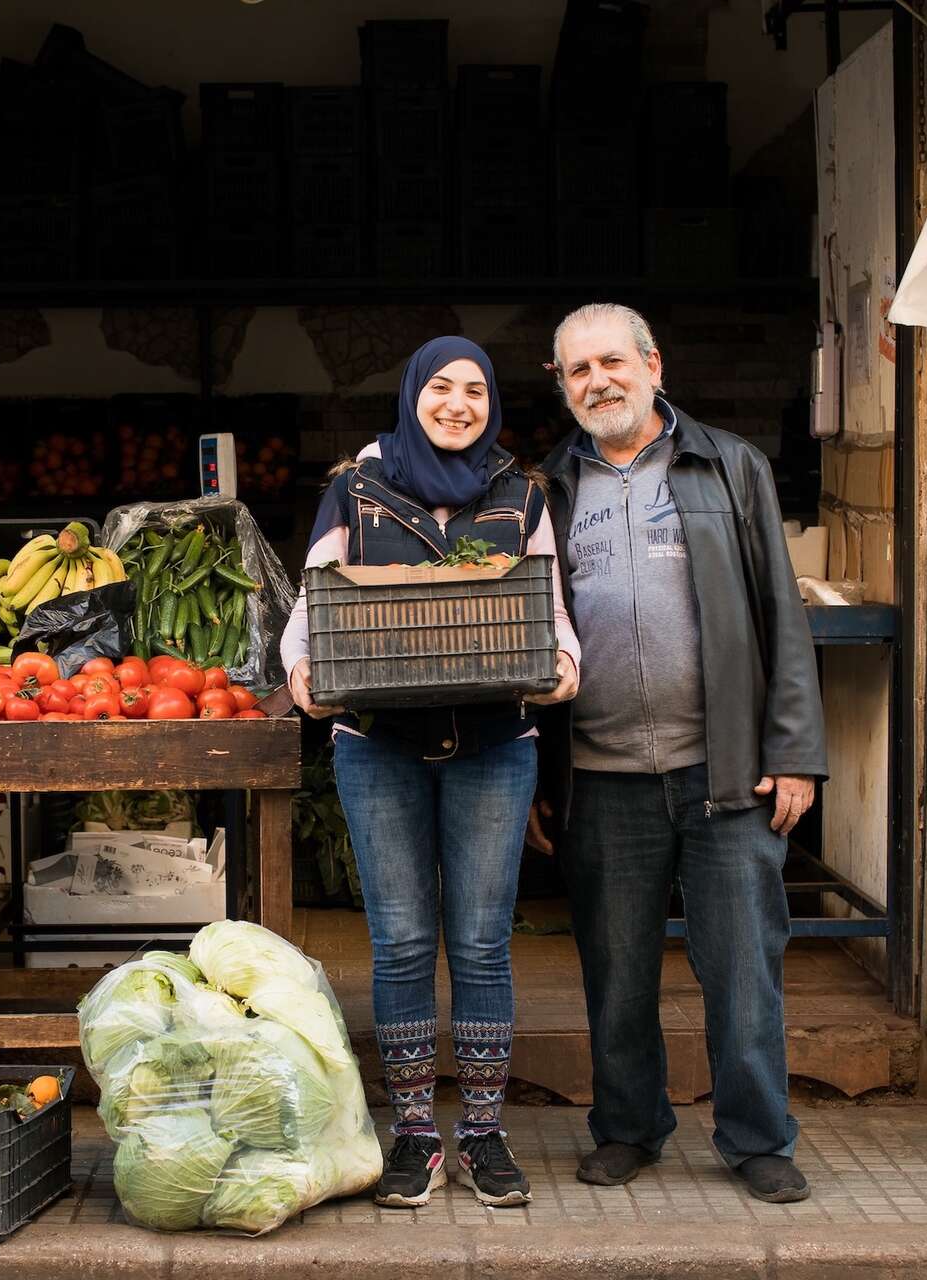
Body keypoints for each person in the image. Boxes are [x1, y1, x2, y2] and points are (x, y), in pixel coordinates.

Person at [529, 302, 827, 1204]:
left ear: (654, 364)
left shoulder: (728, 465)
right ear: (564, 386)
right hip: (602, 776)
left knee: (743, 967)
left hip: (727, 771)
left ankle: (757, 1137)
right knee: (616, 972)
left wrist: (797, 753)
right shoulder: (547, 486)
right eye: (577, 371)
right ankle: (628, 1127)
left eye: (611, 363)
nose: (597, 383)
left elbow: (781, 614)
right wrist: (543, 777)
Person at [282, 336, 580, 1210]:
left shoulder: (521, 494)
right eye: (442, 387)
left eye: (477, 390)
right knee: (403, 941)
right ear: (412, 393)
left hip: (496, 743)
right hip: (378, 744)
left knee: (484, 941)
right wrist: (302, 675)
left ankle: (484, 1134)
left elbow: (551, 609)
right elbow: (312, 609)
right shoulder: (356, 490)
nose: (459, 403)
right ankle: (416, 1134)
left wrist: (564, 663)